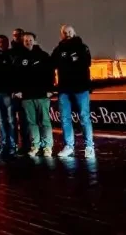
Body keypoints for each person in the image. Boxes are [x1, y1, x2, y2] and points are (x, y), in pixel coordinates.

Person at [53, 25, 94, 158]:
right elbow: (51, 64)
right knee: (65, 118)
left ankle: (89, 146)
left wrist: (68, 63)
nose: (68, 34)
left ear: (74, 32)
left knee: (84, 117)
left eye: (70, 31)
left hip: (80, 88)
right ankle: (69, 146)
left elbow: (86, 63)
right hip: (64, 89)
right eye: (65, 32)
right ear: (62, 35)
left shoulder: (82, 47)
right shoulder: (59, 49)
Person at [14, 32, 54, 157]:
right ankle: (35, 145)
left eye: (30, 40)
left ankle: (47, 146)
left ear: (34, 41)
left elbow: (50, 73)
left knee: (45, 122)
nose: (28, 42)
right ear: (23, 42)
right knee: (32, 123)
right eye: (26, 40)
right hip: (27, 96)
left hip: (42, 95)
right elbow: (15, 75)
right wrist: (17, 90)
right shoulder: (19, 58)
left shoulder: (43, 56)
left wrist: (50, 89)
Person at [0, 34, 18, 155]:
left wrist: (14, 89)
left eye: (3, 42)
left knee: (11, 120)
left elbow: (15, 74)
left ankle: (13, 144)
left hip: (8, 93)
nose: (1, 44)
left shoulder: (12, 56)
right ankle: (4, 143)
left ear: (7, 43)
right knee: (1, 121)